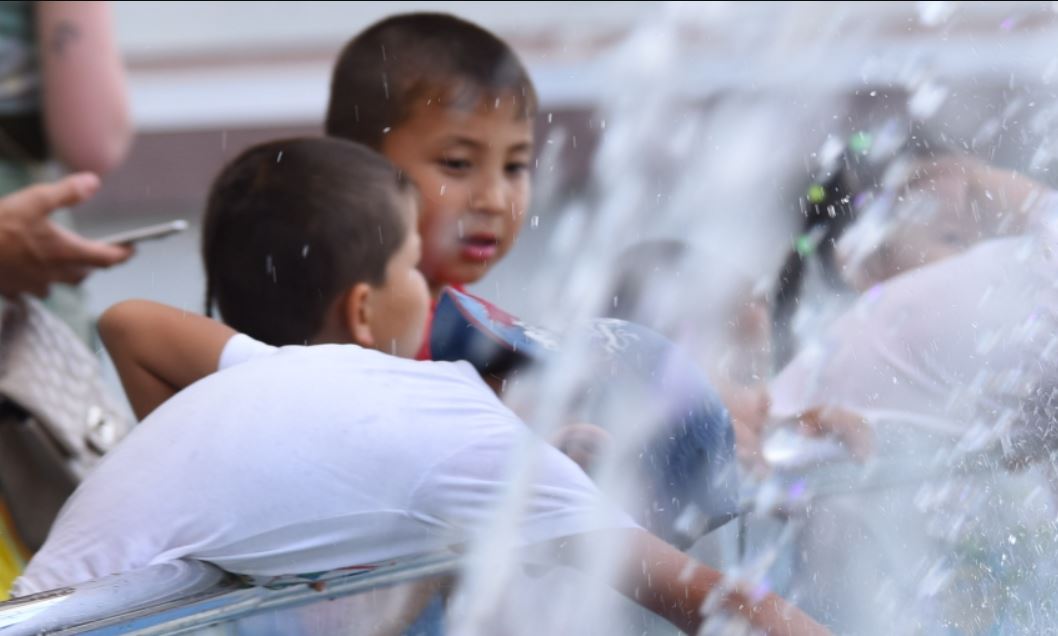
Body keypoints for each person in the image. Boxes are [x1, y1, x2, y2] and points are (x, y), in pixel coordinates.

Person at [15, 137, 827, 635]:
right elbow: (724, 606)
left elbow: (131, 327)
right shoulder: (498, 462)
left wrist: (208, 513)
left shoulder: (366, 388)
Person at [321, 13, 533, 360]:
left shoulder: (477, 331)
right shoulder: (346, 332)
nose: (495, 200)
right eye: (457, 163)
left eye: (514, 166)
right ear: (359, 167)